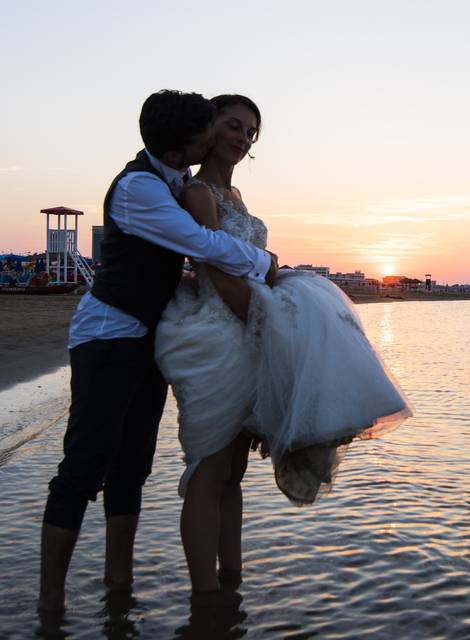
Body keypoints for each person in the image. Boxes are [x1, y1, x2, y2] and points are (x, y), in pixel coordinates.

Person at [153, 94, 411, 594]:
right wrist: (274, 333)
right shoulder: (198, 194)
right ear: (210, 127)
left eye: (250, 132)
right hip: (217, 333)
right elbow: (215, 271)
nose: (241, 137)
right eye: (232, 125)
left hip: (248, 333)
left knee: (233, 473)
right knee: (209, 468)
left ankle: (232, 584)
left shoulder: (239, 200)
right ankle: (204, 600)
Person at [38, 90, 279, 614]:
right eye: (220, 129)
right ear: (180, 151)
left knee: (134, 465)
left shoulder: (174, 178)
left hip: (152, 335)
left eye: (246, 131)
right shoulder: (140, 189)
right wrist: (269, 263)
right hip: (109, 334)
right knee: (84, 463)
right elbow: (207, 247)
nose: (230, 139)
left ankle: (117, 585)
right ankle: (49, 605)